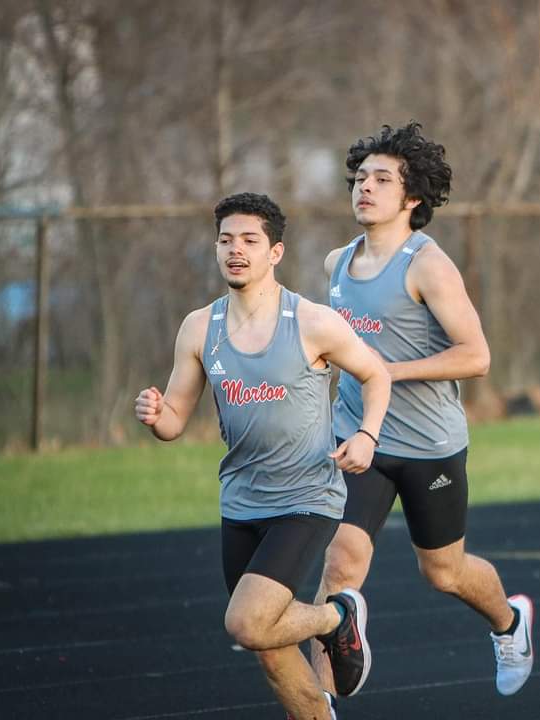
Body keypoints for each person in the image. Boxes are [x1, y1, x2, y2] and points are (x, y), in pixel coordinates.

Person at [133, 192, 391, 720]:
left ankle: (335, 617)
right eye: (226, 240)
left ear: (275, 252)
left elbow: (376, 374)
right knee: (269, 647)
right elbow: (176, 418)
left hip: (307, 498)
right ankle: (324, 675)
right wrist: (158, 416)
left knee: (246, 622)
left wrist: (366, 435)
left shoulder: (312, 321)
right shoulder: (200, 328)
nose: (236, 250)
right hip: (242, 503)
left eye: (250, 240)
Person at [310, 122, 534, 701]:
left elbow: (477, 356)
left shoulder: (427, 266)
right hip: (360, 438)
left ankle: (510, 624)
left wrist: (387, 372)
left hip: (429, 447)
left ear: (412, 198)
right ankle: (316, 706)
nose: (366, 187)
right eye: (361, 177)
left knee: (444, 572)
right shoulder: (337, 263)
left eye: (383, 179)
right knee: (340, 566)